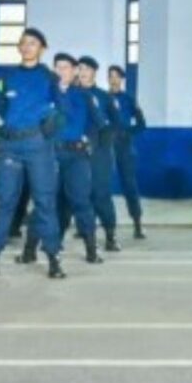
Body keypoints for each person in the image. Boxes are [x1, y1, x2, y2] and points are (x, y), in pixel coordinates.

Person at [0, 27, 65, 280]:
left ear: (42, 48)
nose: (26, 47)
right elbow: (1, 106)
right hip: (10, 146)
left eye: (32, 43)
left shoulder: (49, 78)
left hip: (38, 146)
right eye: (23, 43)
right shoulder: (7, 77)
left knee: (45, 203)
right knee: (5, 204)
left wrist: (50, 125)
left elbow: (63, 108)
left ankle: (54, 259)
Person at [52, 51, 103, 264]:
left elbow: (97, 122)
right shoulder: (47, 93)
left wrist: (89, 142)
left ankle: (91, 249)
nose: (61, 71)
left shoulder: (84, 96)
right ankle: (34, 249)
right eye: (57, 67)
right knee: (47, 202)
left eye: (65, 67)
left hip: (76, 155)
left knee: (81, 201)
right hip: (50, 155)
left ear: (74, 71)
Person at [79, 57, 122, 252]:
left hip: (100, 153)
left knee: (101, 195)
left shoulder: (105, 97)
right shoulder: (71, 94)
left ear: (94, 72)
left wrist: (102, 145)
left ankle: (110, 236)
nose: (83, 72)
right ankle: (87, 235)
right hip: (75, 153)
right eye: (80, 68)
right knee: (78, 195)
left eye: (87, 68)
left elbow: (116, 124)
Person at [105, 65, 146, 240]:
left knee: (130, 185)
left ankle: (137, 224)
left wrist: (128, 132)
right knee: (100, 185)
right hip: (105, 146)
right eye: (110, 76)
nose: (113, 79)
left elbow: (141, 123)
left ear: (122, 79)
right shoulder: (102, 98)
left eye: (116, 76)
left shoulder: (129, 99)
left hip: (124, 146)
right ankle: (89, 226)